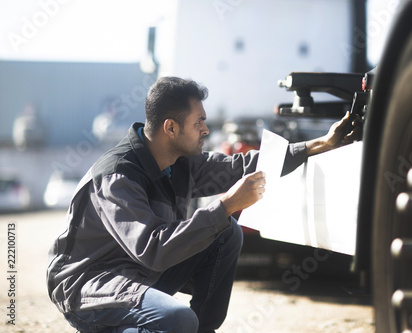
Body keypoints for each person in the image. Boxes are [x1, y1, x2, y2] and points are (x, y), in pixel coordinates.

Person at [46, 76, 360, 333]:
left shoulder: (180, 162)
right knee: (179, 319)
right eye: (199, 122)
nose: (206, 130)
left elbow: (242, 166)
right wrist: (224, 206)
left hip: (137, 273)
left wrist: (320, 144)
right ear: (171, 128)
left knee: (226, 235)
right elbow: (154, 250)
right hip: (89, 286)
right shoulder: (118, 175)